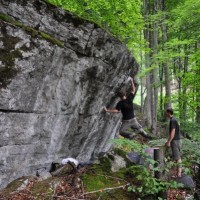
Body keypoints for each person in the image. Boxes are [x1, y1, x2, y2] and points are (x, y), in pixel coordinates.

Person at [165, 108, 182, 178]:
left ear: (169, 113)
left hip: (174, 141)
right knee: (177, 157)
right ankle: (177, 173)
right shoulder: (174, 119)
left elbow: (173, 132)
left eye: (166, 112)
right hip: (177, 140)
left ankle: (179, 174)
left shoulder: (172, 120)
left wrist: (169, 142)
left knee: (178, 158)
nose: (165, 114)